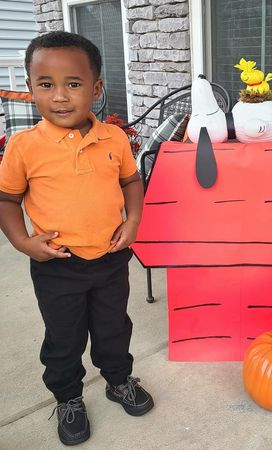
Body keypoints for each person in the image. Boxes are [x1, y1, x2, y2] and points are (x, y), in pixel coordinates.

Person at [0, 31, 154, 446]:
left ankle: (118, 380)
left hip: (109, 259)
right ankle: (68, 396)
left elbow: (131, 182)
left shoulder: (114, 139)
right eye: (46, 85)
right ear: (31, 89)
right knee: (64, 337)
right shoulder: (23, 146)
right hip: (57, 264)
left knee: (113, 328)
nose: (60, 96)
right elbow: (7, 199)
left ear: (96, 88)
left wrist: (133, 220)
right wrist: (22, 242)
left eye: (73, 83)